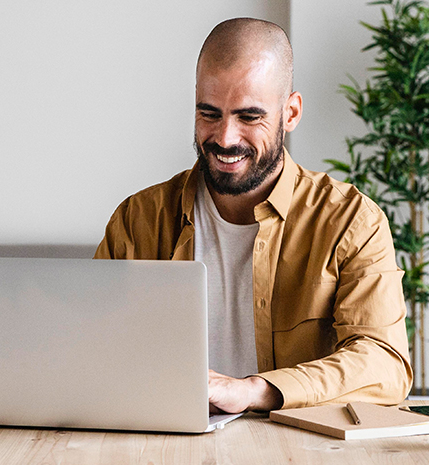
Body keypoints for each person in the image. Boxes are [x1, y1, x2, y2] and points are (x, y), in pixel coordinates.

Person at [94, 18, 412, 414]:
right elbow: (91, 353)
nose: (225, 138)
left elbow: (385, 365)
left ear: (290, 113)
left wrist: (254, 391)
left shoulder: (351, 222)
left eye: (249, 117)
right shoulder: (137, 220)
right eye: (209, 114)